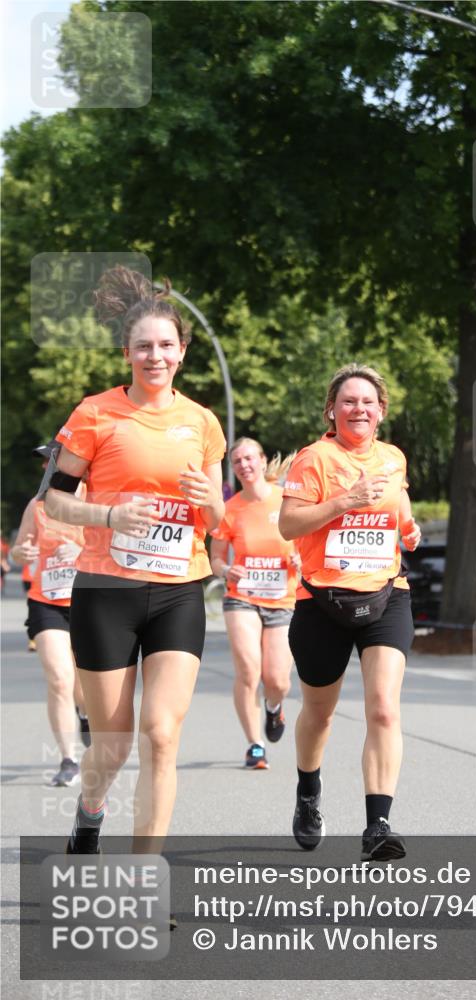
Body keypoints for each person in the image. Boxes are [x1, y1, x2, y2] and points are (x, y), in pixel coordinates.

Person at [43, 265, 226, 854]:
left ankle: (145, 873)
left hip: (178, 590)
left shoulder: (202, 423)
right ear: (128, 353)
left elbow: (219, 522)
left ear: (182, 353)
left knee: (162, 735)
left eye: (166, 346)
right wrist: (109, 517)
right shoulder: (95, 413)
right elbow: (53, 501)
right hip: (106, 591)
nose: (155, 356)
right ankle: (91, 811)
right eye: (143, 346)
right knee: (115, 743)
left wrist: (211, 505)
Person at [279, 363, 421, 862]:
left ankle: (378, 823)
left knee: (384, 707)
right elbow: (288, 525)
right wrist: (344, 501)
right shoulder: (313, 459)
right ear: (332, 410)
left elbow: (398, 509)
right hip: (323, 601)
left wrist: (409, 529)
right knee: (319, 714)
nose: (358, 409)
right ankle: (308, 790)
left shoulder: (393, 459)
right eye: (348, 402)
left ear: (381, 411)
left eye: (367, 402)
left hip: (387, 594)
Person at [210, 439, 298, 769]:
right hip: (242, 596)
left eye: (249, 458)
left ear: (262, 461)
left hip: (282, 599)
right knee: (248, 670)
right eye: (236, 461)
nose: (244, 464)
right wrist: (225, 569)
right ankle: (254, 744)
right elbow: (215, 558)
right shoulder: (229, 509)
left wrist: (300, 559)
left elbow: (304, 540)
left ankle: (274, 708)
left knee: (278, 680)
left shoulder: (286, 500)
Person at [10, 440, 90, 786]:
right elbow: (18, 550)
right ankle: (68, 759)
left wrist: (81, 547)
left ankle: (85, 711)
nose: (48, 469)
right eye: (45, 464)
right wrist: (21, 554)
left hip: (90, 600)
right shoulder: (37, 505)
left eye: (54, 462)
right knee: (59, 677)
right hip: (47, 602)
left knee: (83, 684)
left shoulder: (94, 497)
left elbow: (117, 544)